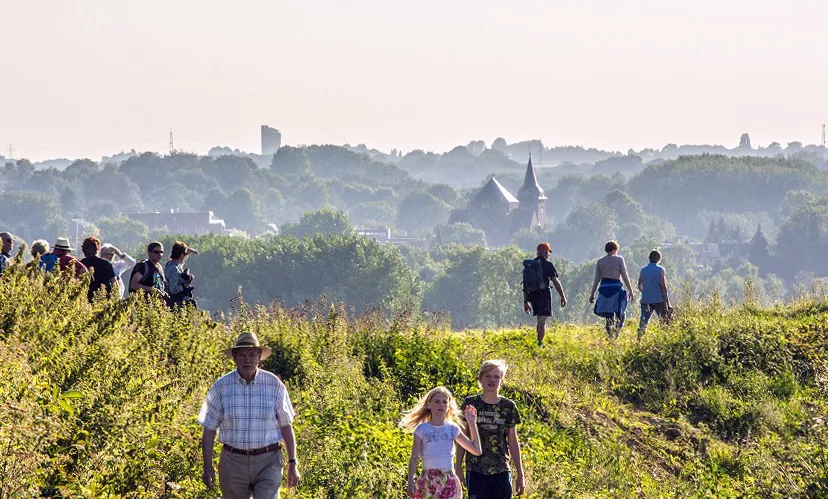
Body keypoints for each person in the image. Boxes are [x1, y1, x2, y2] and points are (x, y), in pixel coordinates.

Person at [199, 332, 300, 499]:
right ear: (234, 357)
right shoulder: (220, 387)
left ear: (259, 357)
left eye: (253, 355)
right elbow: (209, 430)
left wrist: (292, 463)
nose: (248, 360)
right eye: (242, 355)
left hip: (268, 461)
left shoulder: (274, 384)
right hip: (233, 463)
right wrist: (207, 467)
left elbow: (286, 426)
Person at [455, 360, 525, 499]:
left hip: (501, 468)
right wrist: (458, 467)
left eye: (496, 376)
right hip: (475, 469)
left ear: (502, 380)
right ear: (480, 378)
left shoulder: (508, 406)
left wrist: (520, 474)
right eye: (487, 376)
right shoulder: (470, 403)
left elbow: (513, 441)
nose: (492, 380)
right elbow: (462, 437)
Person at [400, 387, 482, 499]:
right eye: (437, 401)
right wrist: (410, 480)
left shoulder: (452, 429)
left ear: (449, 406)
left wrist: (472, 423)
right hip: (428, 481)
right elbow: (414, 458)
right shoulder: (422, 429)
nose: (441, 405)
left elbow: (476, 451)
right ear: (429, 405)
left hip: (449, 481)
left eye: (444, 402)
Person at [522, 242, 567, 346]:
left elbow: (525, 284)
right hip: (544, 295)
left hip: (532, 295)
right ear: (546, 252)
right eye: (548, 252)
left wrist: (525, 301)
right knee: (542, 321)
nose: (549, 254)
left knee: (539, 319)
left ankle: (538, 342)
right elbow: (555, 282)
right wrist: (563, 297)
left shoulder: (530, 265)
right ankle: (539, 344)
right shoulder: (547, 265)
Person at [588, 240, 635, 339]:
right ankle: (617, 331)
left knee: (609, 316)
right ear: (614, 250)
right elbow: (625, 275)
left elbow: (597, 279)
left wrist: (592, 294)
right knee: (620, 312)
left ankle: (610, 335)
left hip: (604, 288)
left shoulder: (600, 261)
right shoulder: (619, 259)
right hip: (616, 288)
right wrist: (631, 290)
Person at [637, 250, 672, 339]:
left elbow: (639, 284)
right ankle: (665, 339)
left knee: (644, 321)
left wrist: (645, 292)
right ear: (658, 259)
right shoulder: (660, 270)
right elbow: (663, 287)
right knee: (665, 321)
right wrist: (668, 303)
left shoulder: (643, 270)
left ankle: (639, 339)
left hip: (646, 300)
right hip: (658, 299)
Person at [79, 237, 117, 302]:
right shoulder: (106, 263)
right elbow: (114, 284)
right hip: (105, 300)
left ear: (84, 250)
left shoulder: (81, 263)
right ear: (97, 249)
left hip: (86, 301)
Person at [164, 241, 197, 307]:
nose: (185, 257)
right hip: (177, 303)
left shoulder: (170, 264)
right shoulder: (174, 269)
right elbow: (173, 289)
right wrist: (184, 286)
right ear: (182, 255)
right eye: (185, 254)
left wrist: (188, 251)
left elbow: (181, 263)